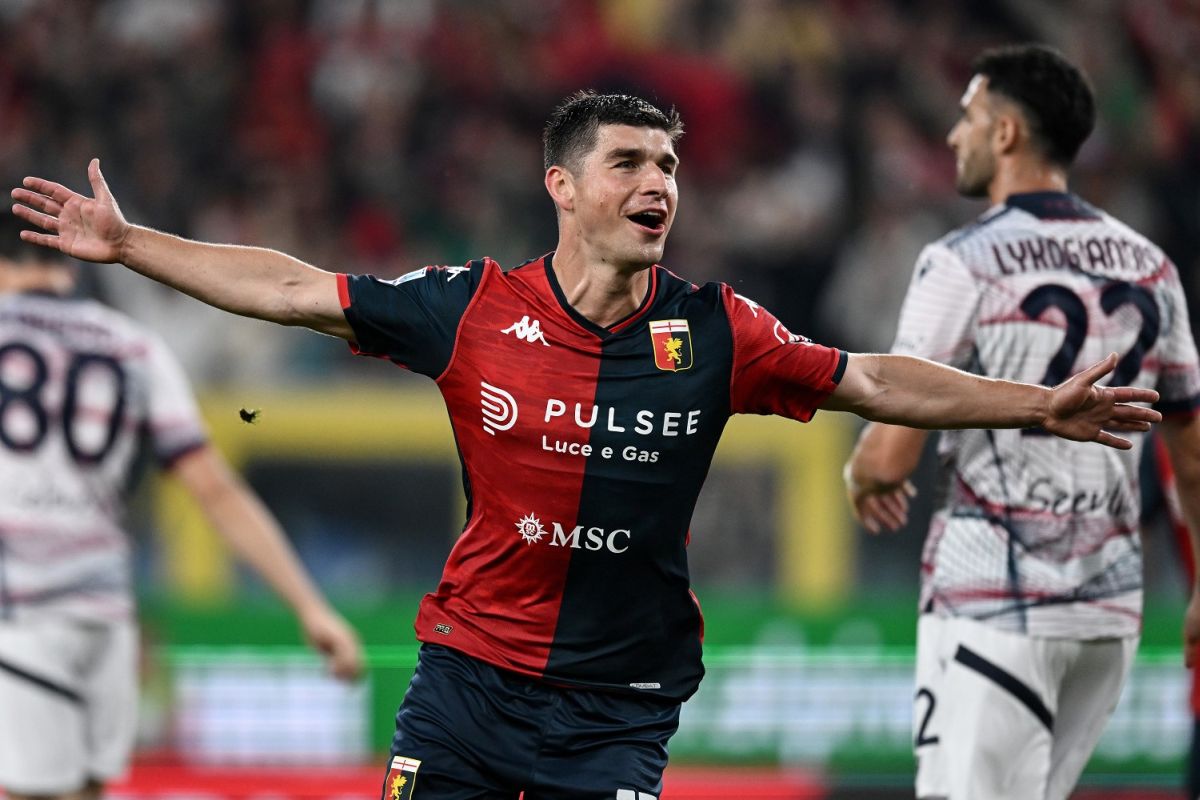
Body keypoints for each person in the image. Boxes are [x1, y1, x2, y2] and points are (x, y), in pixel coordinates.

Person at [10, 91, 1161, 800]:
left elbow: (873, 378)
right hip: (466, 677)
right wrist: (133, 244)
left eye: (669, 166)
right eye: (630, 162)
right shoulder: (470, 307)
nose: (660, 183)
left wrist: (1033, 404)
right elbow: (294, 287)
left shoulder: (721, 330)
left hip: (618, 699)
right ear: (562, 186)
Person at [843, 44, 1200, 800]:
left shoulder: (962, 260)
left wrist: (864, 472)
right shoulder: (1151, 266)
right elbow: (1192, 456)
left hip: (993, 608)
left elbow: (890, 454)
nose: (954, 136)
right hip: (1107, 616)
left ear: (1005, 133)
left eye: (968, 117)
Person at [0, 213, 364, 800]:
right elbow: (216, 490)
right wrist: (310, 607)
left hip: (21, 609)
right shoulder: (131, 347)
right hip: (105, 618)